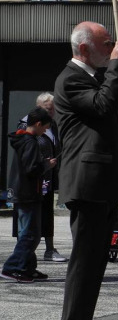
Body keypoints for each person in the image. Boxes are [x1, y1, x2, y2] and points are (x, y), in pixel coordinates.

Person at [54, 21, 118, 320]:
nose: (112, 46)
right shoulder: (71, 78)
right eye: (106, 43)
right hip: (86, 183)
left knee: (97, 258)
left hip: (103, 183)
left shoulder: (91, 79)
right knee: (85, 259)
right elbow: (102, 105)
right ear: (85, 48)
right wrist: (117, 66)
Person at [2, 107, 56, 282]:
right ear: (38, 124)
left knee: (29, 233)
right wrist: (46, 165)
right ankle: (12, 267)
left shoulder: (23, 140)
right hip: (28, 194)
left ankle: (27, 267)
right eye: (45, 127)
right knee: (30, 234)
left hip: (22, 193)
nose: (45, 131)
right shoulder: (31, 142)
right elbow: (31, 168)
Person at [12, 93, 65, 263]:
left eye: (53, 110)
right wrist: (45, 165)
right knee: (28, 228)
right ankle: (18, 263)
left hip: (45, 178)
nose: (52, 114)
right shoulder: (27, 133)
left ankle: (35, 257)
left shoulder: (52, 125)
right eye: (48, 110)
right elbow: (29, 164)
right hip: (31, 183)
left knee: (40, 220)